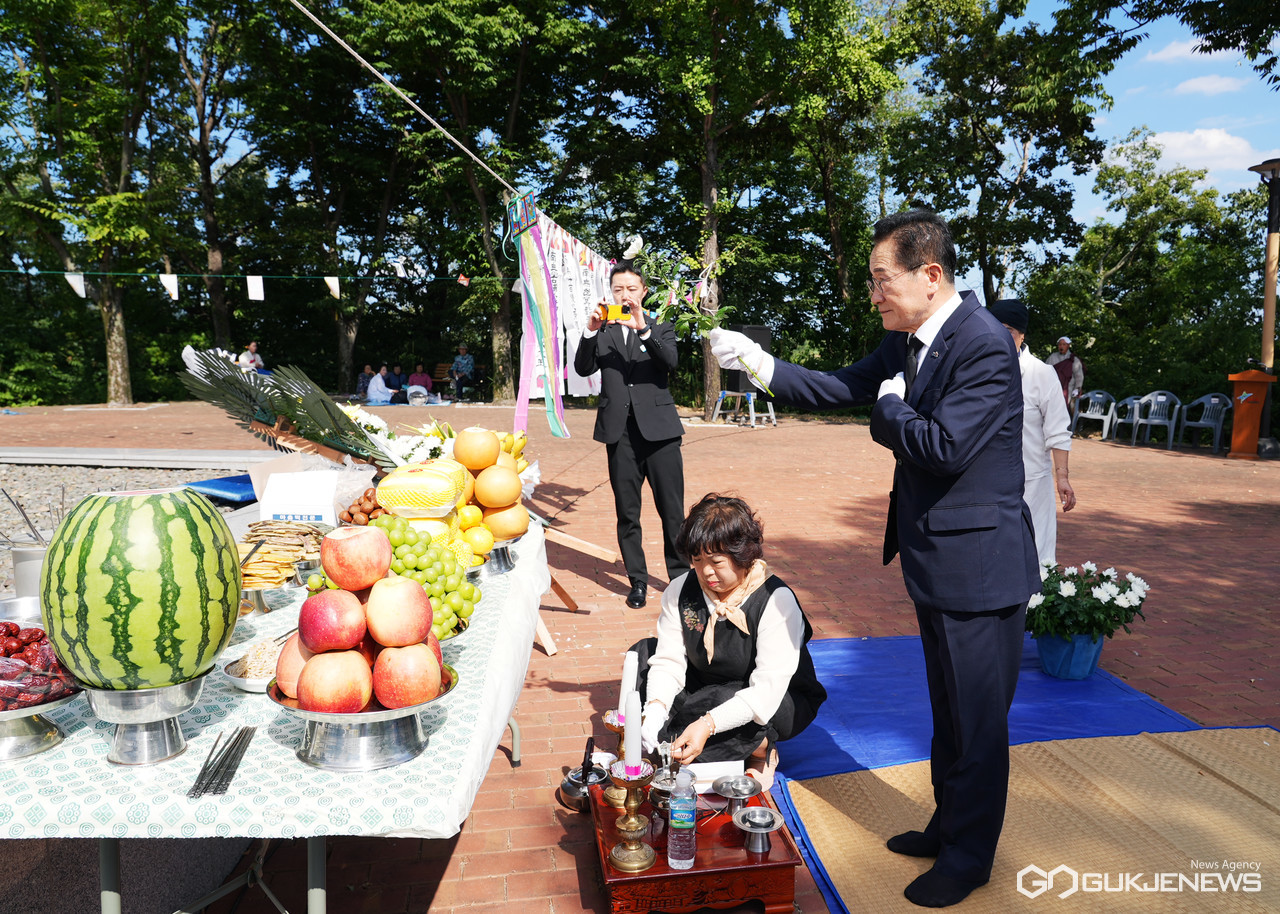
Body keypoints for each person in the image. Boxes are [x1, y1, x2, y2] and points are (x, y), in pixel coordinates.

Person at [710, 209, 1038, 908]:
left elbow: (944, 447)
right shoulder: (910, 339)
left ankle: (969, 857)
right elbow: (838, 386)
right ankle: (949, 825)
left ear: (931, 274)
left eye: (880, 279)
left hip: (980, 570)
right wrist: (760, 365)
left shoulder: (982, 344)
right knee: (948, 713)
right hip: (936, 561)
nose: (874, 294)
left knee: (979, 725)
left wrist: (890, 415)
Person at [635, 494, 827, 790]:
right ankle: (696, 740)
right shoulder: (680, 590)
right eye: (697, 560)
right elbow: (669, 660)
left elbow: (766, 690)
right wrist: (655, 710)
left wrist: (706, 724)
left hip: (771, 700)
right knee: (641, 658)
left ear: (743, 555)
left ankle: (761, 747)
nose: (706, 572)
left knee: (715, 708)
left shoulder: (776, 600)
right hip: (702, 687)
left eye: (716, 561)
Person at [573, 261, 689, 609]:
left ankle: (681, 580)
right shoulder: (603, 329)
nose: (625, 295)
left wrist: (642, 329)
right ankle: (637, 581)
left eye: (631, 289)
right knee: (628, 512)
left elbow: (671, 362)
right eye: (618, 289)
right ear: (611, 292)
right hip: (618, 433)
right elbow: (582, 368)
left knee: (672, 511)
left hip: (661, 433)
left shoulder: (660, 323)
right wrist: (591, 331)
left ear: (643, 292)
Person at [988, 299, 1076, 568]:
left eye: (1008, 330)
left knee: (1035, 561)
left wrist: (1062, 478)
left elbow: (1058, 430)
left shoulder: (1041, 373)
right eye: (994, 328)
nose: (1000, 336)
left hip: (1031, 485)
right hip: (984, 484)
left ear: (1022, 335)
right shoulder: (975, 369)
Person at [1046, 336, 1084, 414]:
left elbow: (1079, 376)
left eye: (1064, 344)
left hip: (1069, 387)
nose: (1061, 346)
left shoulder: (1073, 359)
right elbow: (1046, 370)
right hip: (1054, 386)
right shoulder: (1052, 357)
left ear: (1068, 345)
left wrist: (1077, 388)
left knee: (1066, 407)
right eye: (1060, 344)